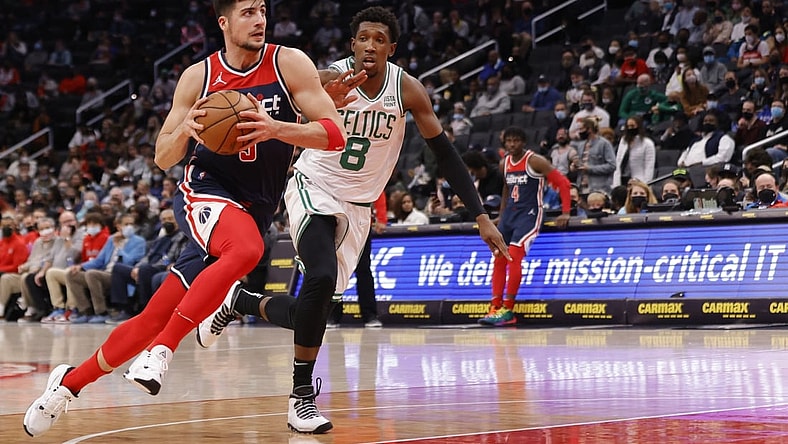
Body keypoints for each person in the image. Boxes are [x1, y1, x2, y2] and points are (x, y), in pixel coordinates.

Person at [23, 0, 352, 438]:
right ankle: (163, 351)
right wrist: (187, 130)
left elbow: (334, 134)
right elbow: (163, 156)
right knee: (248, 250)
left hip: (253, 209)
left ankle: (66, 385)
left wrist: (276, 128)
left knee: (152, 317)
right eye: (247, 12)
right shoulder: (199, 77)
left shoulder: (288, 63)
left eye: (262, 10)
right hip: (205, 191)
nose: (259, 19)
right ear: (224, 22)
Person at [193, 5, 509, 434]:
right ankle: (301, 398)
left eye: (380, 40)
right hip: (313, 185)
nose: (370, 46)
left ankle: (241, 301)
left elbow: (446, 156)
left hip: (359, 206)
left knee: (316, 307)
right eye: (363, 38)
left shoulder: (408, 91)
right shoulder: (326, 78)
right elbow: (285, 113)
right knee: (320, 279)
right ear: (352, 45)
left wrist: (481, 215)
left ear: (391, 49)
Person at [478, 126, 571, 326]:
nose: (512, 145)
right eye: (508, 141)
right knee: (498, 259)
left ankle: (509, 309)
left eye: (516, 141)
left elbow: (563, 183)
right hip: (509, 216)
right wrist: (501, 215)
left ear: (523, 142)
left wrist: (566, 211)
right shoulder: (504, 163)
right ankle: (495, 306)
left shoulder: (535, 160)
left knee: (513, 256)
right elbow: (506, 189)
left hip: (529, 214)